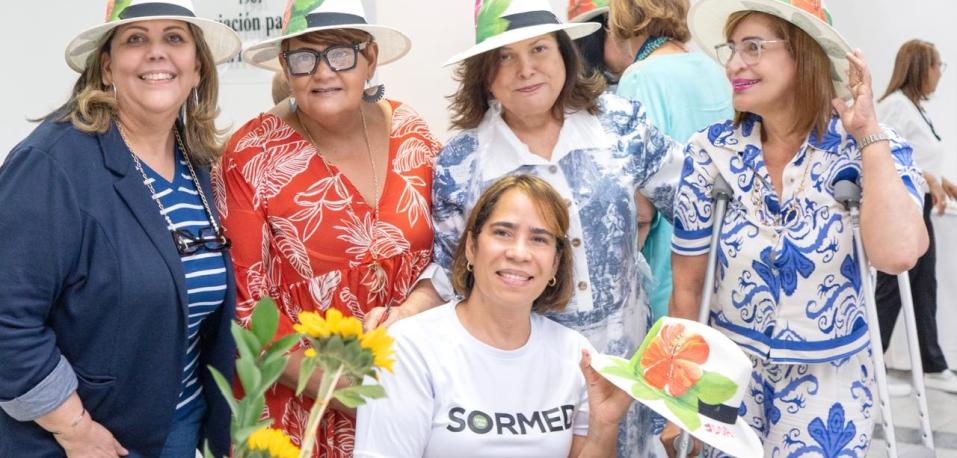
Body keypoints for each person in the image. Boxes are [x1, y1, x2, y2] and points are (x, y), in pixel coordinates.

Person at [365, 1, 684, 456]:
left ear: (565, 55)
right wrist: (402, 316)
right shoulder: (464, 160)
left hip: (628, 366)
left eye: (539, 49)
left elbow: (698, 206)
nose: (525, 70)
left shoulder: (620, 125)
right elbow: (451, 270)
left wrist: (683, 336)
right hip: (531, 382)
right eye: (505, 57)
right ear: (485, 74)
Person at [669, 1, 928, 456]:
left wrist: (868, 135)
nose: (733, 65)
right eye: (731, 49)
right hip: (729, 379)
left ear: (803, 54)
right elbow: (688, 287)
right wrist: (678, 399)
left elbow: (899, 253)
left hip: (832, 383)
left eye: (753, 47)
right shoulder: (710, 152)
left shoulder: (870, 148)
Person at [0, 1, 241, 456]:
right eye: (135, 39)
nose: (156, 53)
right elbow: (7, 320)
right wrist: (74, 429)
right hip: (82, 440)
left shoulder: (200, 165)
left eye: (174, 37)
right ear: (107, 67)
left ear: (197, 71)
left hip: (182, 428)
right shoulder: (52, 164)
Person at [219, 0, 442, 455]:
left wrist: (412, 313)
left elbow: (451, 257)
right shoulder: (250, 155)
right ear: (284, 65)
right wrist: (339, 391)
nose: (323, 73)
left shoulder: (413, 131)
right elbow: (245, 307)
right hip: (301, 407)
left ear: (370, 59)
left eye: (340, 53)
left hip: (416, 393)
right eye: (304, 58)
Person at [354, 175, 633, 457]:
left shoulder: (574, 352)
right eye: (502, 232)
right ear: (471, 247)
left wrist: (603, 428)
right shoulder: (407, 348)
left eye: (539, 239)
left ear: (555, 265)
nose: (519, 252)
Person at [608, 0, 733, 321]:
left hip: (668, 257)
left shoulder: (639, 77)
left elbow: (633, 193)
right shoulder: (714, 69)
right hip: (719, 250)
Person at [876, 39, 957, 393]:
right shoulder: (895, 107)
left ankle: (932, 365)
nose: (940, 73)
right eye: (938, 65)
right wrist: (926, 179)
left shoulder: (913, 107)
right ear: (922, 68)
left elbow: (914, 155)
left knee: (924, 286)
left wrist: (938, 181)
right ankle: (872, 369)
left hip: (919, 205)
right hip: (901, 209)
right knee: (891, 287)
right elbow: (882, 153)